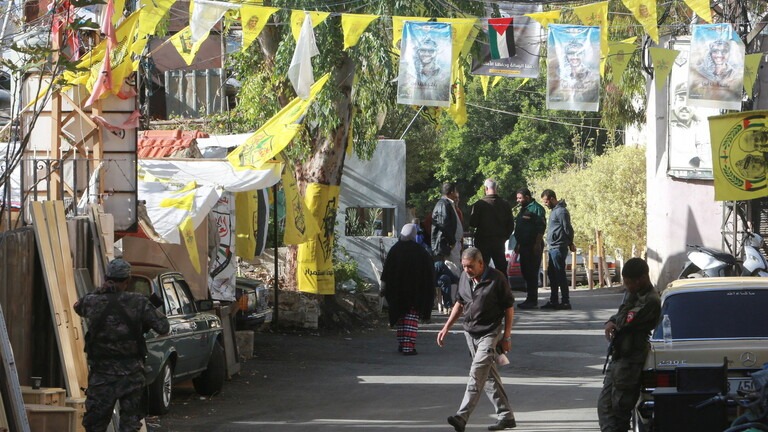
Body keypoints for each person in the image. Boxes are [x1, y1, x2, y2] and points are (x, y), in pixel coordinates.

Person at [74, 258, 170, 432]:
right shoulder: (139, 302)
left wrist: (100, 291)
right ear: (128, 280)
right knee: (130, 426)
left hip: (102, 376)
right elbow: (163, 327)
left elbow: (78, 306)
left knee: (95, 426)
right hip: (131, 376)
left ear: (106, 278)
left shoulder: (92, 301)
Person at [437, 247, 517, 432]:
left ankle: (462, 416)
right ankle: (506, 416)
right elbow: (459, 303)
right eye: (464, 266)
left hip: (490, 333)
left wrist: (507, 336)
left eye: (470, 266)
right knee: (488, 376)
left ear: (481, 263)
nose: (467, 270)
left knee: (476, 373)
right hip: (470, 334)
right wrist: (446, 327)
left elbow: (509, 308)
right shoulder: (465, 278)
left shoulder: (497, 279)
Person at [597, 258, 661, 432]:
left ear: (641, 279)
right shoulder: (635, 295)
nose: (627, 287)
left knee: (619, 409)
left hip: (631, 359)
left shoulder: (650, 300)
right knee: (605, 406)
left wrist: (618, 317)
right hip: (620, 356)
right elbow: (619, 317)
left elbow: (624, 320)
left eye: (629, 283)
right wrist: (611, 321)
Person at [381, 224, 435, 355]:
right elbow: (429, 274)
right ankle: (408, 347)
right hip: (415, 293)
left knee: (401, 318)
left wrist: (384, 288)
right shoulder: (421, 252)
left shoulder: (395, 250)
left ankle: (402, 343)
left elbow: (387, 271)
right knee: (410, 319)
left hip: (397, 293)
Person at [541, 189, 575, 310]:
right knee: (552, 274)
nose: (545, 204)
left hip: (559, 247)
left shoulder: (561, 211)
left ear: (552, 199)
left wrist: (570, 243)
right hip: (553, 247)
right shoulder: (554, 211)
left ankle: (565, 301)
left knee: (560, 274)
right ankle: (554, 300)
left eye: (546, 201)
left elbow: (568, 228)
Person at [469, 179, 515, 271]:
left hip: (482, 242)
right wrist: (504, 237)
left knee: (481, 268)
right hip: (499, 242)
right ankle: (502, 280)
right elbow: (511, 225)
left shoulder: (479, 204)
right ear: (496, 188)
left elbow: (472, 223)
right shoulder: (505, 204)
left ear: (485, 188)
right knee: (501, 268)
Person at [514, 187, 547, 309]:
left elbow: (541, 228)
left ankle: (532, 300)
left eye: (520, 198)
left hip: (533, 245)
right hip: (523, 245)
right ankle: (529, 298)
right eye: (517, 198)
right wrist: (518, 244)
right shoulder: (523, 209)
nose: (518, 200)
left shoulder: (537, 209)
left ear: (527, 197)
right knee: (525, 272)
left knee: (532, 272)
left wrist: (537, 244)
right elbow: (521, 228)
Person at [669, 82, 711, 169]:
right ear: (674, 102)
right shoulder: (666, 124)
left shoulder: (702, 126)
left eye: (690, 101)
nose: (685, 106)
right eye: (681, 99)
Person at [431, 182, 461, 262]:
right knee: (451, 267)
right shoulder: (443, 204)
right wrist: (452, 242)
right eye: (456, 191)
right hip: (446, 246)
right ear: (452, 192)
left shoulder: (447, 204)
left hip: (450, 245)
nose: (457, 194)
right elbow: (443, 224)